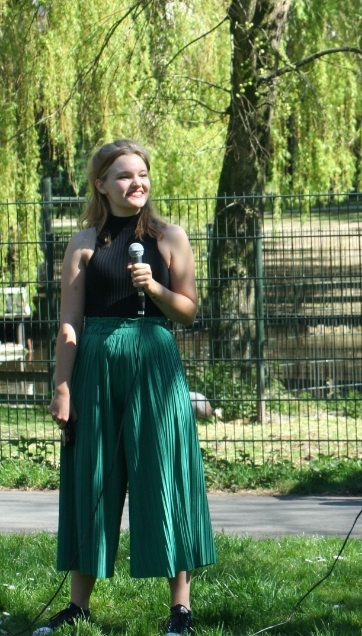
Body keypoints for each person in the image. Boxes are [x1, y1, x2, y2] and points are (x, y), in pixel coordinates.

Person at [41, 140, 217, 636]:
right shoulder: (83, 242)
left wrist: (154, 288)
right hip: (94, 367)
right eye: (123, 176)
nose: (136, 183)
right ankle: (79, 606)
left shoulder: (169, 238)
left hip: (154, 365)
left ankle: (179, 608)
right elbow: (69, 323)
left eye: (141, 174)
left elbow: (188, 310)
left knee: (164, 475)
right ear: (101, 184)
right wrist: (62, 387)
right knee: (90, 477)